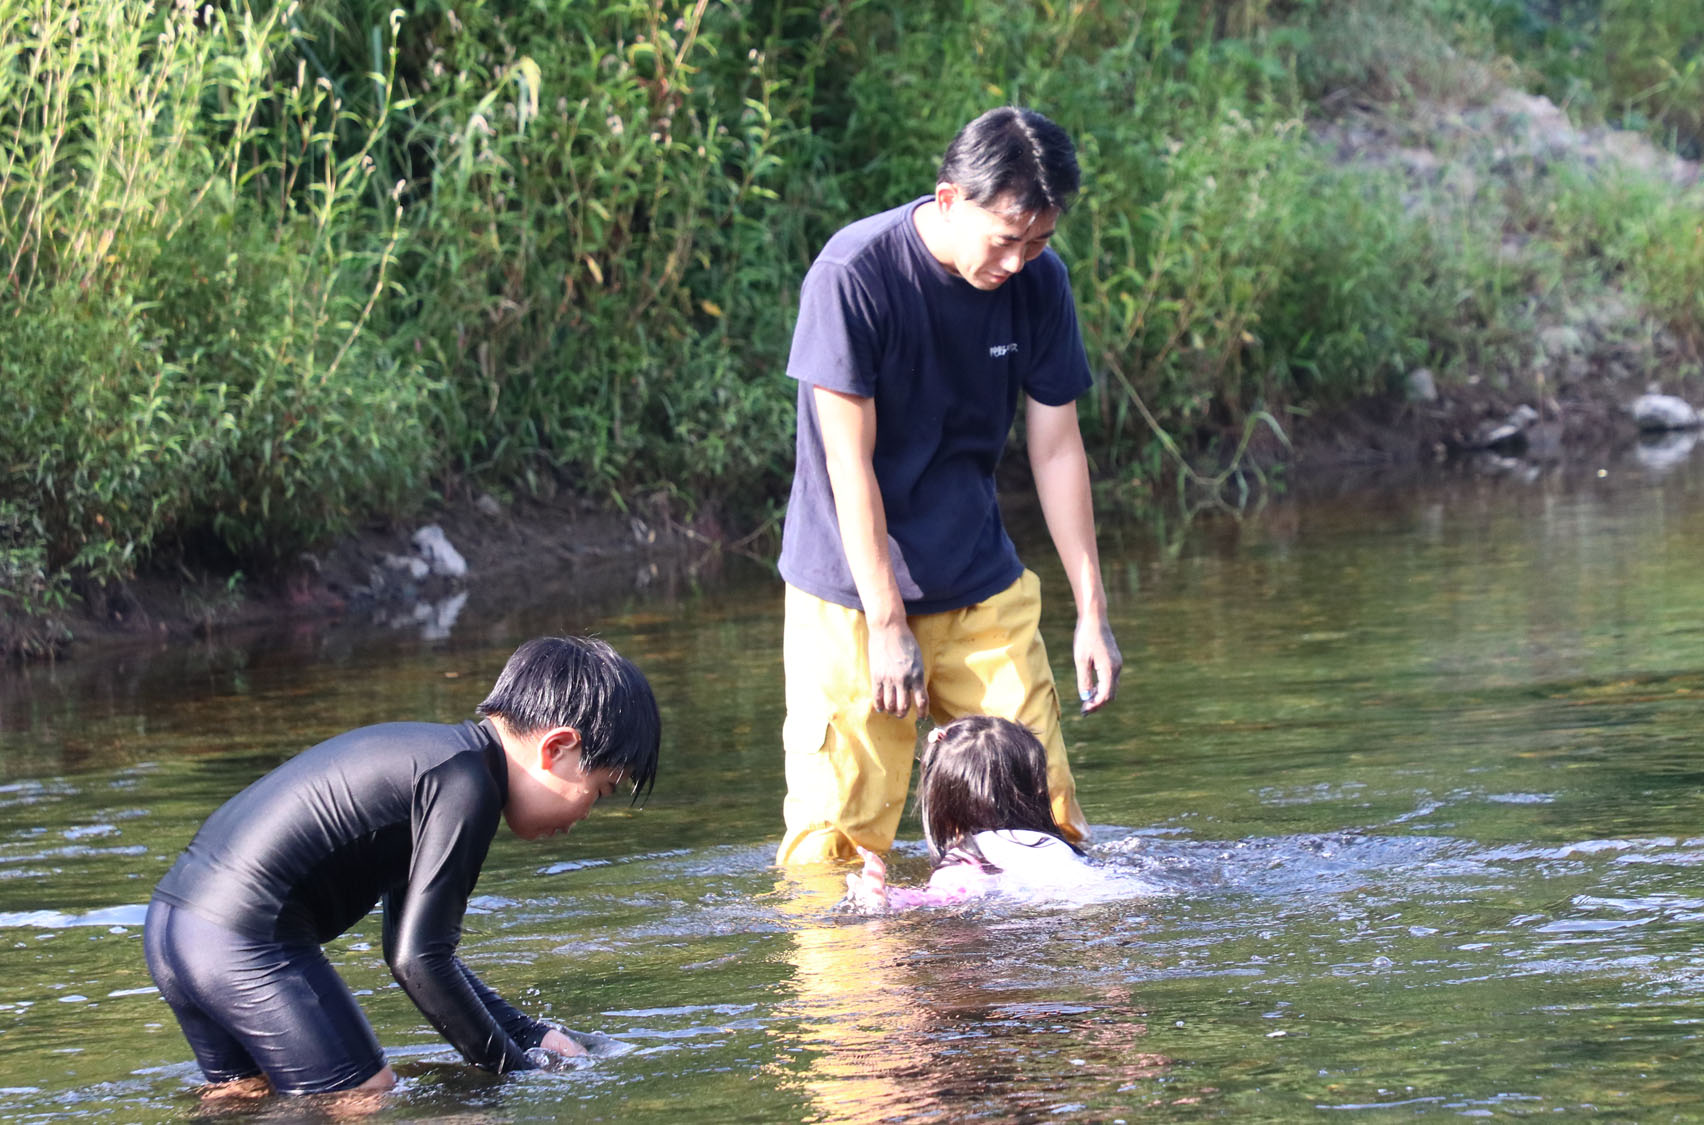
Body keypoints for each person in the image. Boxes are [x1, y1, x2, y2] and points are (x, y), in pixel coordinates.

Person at [776, 105, 1122, 867]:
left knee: (1047, 822)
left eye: (1040, 241)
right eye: (1006, 238)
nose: (1019, 261)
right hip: (849, 599)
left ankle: (1045, 986)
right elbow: (848, 464)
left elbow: (1058, 448)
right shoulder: (853, 275)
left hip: (976, 581)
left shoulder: (1039, 282)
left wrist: (1091, 613)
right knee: (839, 844)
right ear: (947, 200)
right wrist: (887, 621)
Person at [142, 635, 660, 1099]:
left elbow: (409, 951)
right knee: (361, 1095)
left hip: (176, 928)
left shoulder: (438, 762)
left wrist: (530, 1033)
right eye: (599, 791)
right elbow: (420, 961)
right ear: (558, 747)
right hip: (246, 939)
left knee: (246, 1099)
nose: (585, 815)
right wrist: (517, 1075)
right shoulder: (467, 788)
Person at [841, 716, 1116, 912]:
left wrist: (886, 898)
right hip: (1100, 891)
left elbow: (942, 899)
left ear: (944, 803)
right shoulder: (1056, 846)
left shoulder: (968, 859)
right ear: (1036, 789)